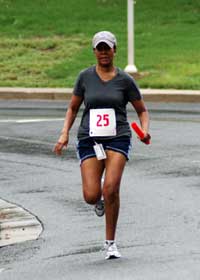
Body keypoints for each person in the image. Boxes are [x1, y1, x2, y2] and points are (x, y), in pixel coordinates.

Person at [54, 31, 150, 260]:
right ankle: (98, 202)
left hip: (118, 138)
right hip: (90, 139)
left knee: (111, 189)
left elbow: (142, 110)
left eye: (108, 48)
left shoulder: (125, 80)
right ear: (94, 51)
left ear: (115, 50)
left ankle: (110, 243)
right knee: (91, 194)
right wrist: (64, 132)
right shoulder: (84, 77)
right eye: (100, 48)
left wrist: (144, 130)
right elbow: (73, 108)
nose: (104, 52)